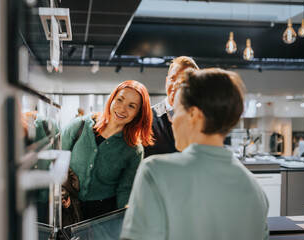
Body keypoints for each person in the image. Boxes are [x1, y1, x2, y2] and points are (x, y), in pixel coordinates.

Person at [121, 68, 269, 240]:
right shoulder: (255, 191)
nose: (171, 120)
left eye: (175, 111)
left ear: (193, 114)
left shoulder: (156, 172)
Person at [62, 80, 154, 220]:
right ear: (112, 99)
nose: (122, 109)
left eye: (131, 106)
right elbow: (55, 161)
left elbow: (125, 190)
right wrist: (61, 193)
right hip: (69, 207)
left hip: (103, 216)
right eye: (120, 100)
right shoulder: (79, 126)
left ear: (138, 113)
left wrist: (127, 218)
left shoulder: (133, 149)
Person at [144, 56, 199, 158]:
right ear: (166, 81)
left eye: (183, 80)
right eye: (173, 78)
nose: (175, 85)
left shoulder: (201, 119)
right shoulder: (146, 116)